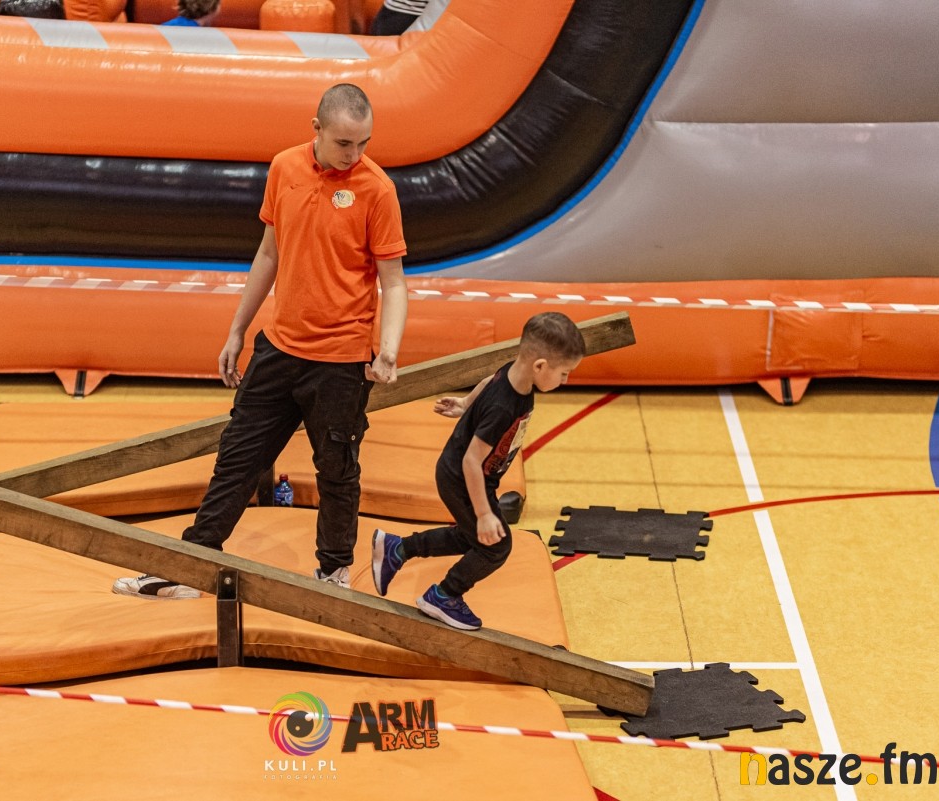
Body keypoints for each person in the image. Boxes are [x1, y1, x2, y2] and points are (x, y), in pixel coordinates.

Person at [114, 83, 408, 599]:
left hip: (340, 362)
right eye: (344, 143)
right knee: (236, 460)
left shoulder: (377, 189)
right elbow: (269, 254)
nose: (354, 154)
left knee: (336, 471)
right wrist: (238, 329)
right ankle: (192, 568)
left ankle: (334, 572)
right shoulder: (284, 168)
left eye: (363, 143)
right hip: (278, 349)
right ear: (316, 129)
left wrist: (388, 349)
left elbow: (394, 282)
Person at [370, 312, 585, 630]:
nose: (565, 381)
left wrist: (466, 403)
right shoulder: (503, 407)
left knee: (470, 538)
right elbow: (471, 461)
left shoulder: (516, 375)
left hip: (470, 477)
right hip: (463, 478)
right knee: (496, 546)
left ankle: (397, 549)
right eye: (564, 373)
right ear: (540, 366)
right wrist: (484, 513)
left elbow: (489, 380)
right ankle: (444, 595)